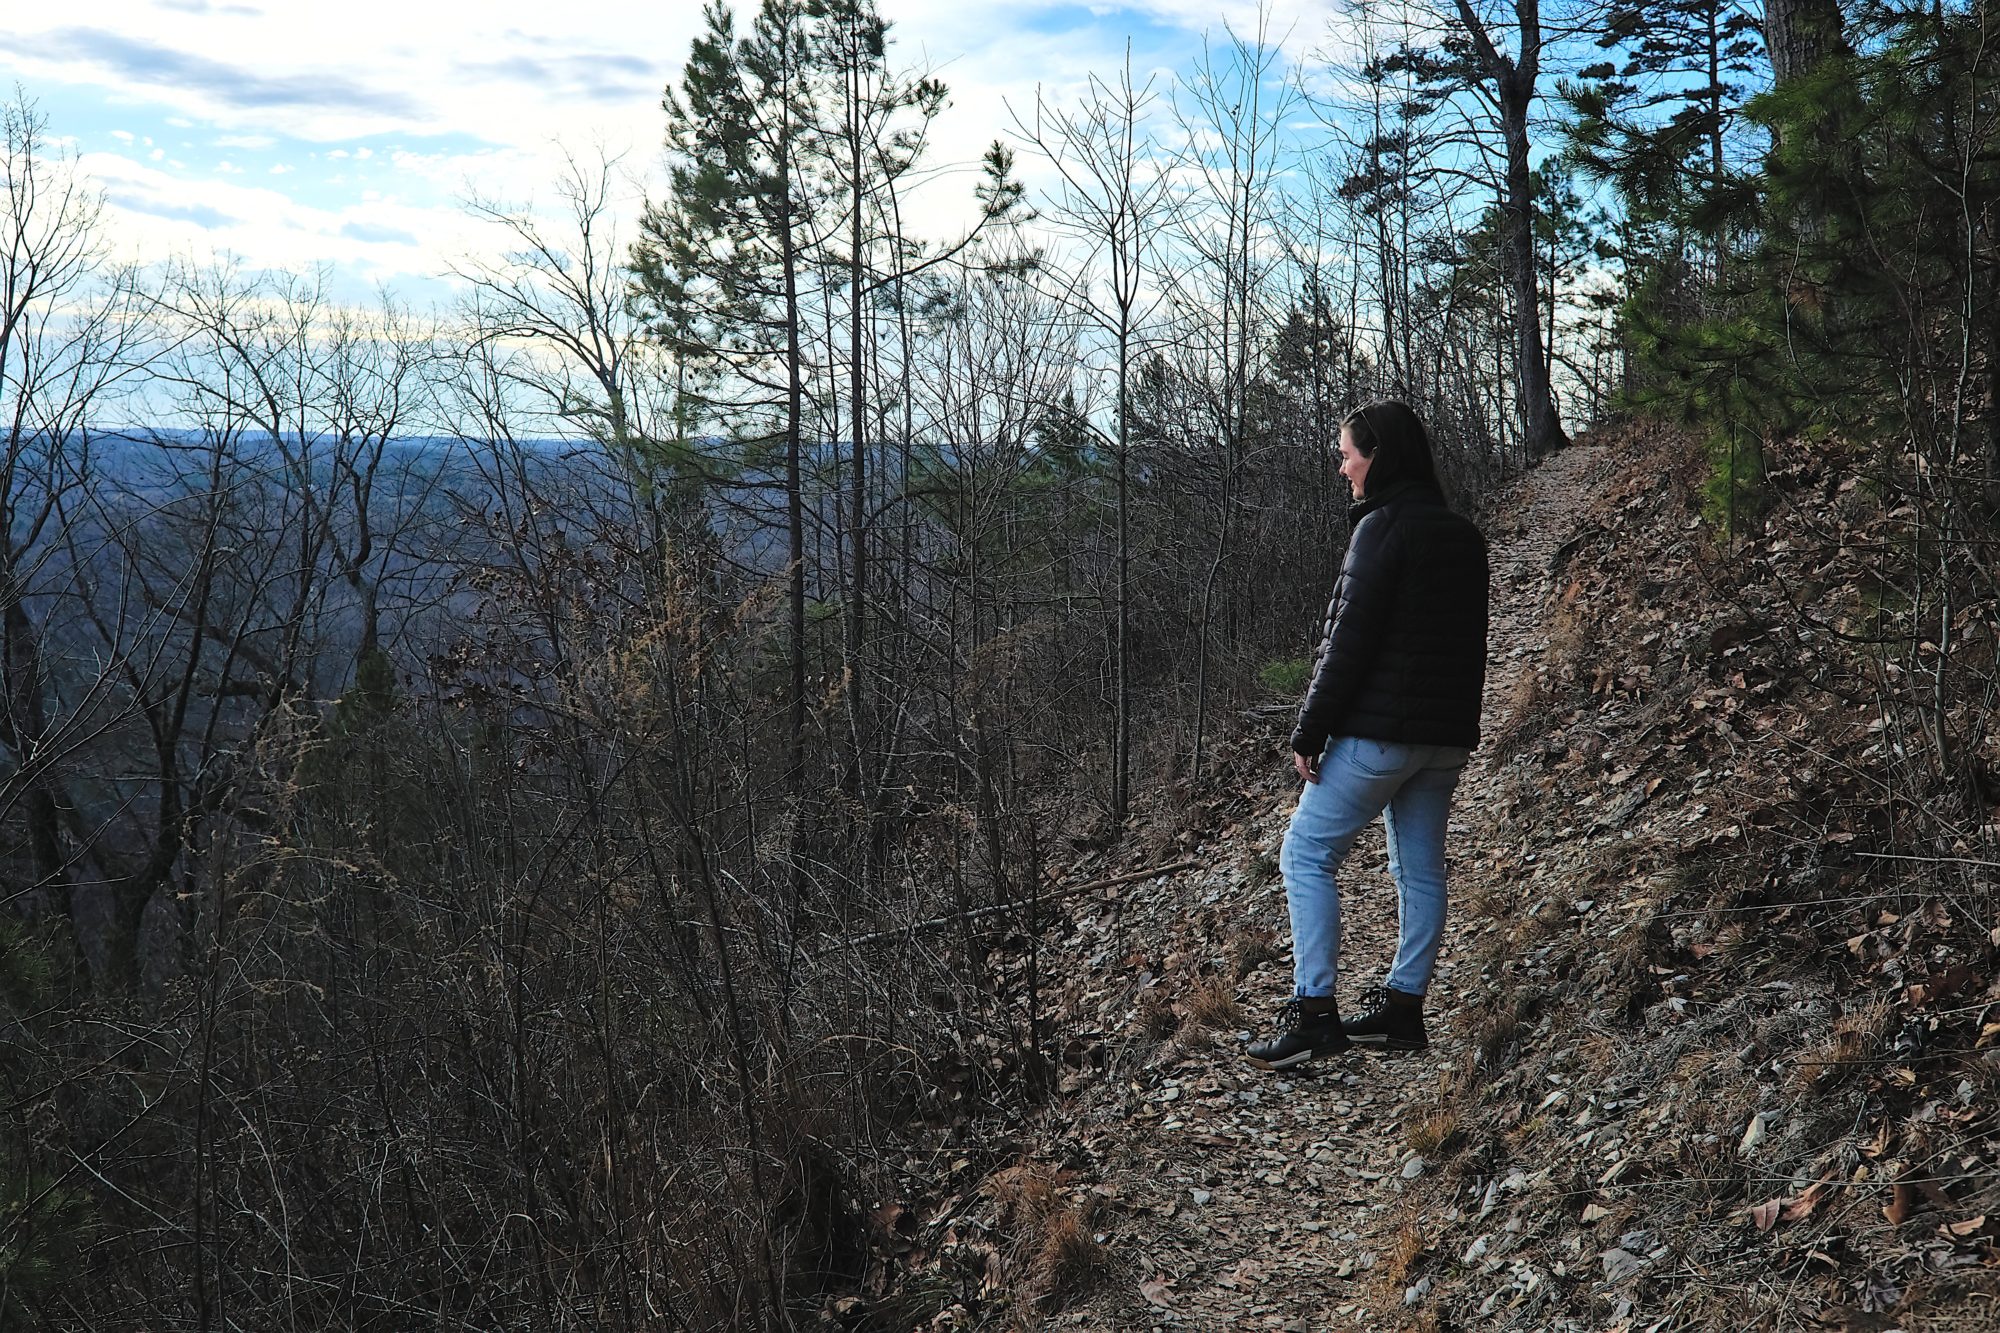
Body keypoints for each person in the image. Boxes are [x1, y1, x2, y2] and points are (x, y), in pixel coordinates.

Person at [1247, 400, 1490, 1071]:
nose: (1342, 465)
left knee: (1305, 852)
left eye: (1348, 452)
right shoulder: (1464, 536)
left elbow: (1346, 643)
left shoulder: (1381, 529)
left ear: (1377, 455)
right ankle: (1403, 1010)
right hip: (1444, 740)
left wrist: (1310, 729)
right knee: (1419, 869)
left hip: (1381, 735)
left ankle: (1314, 1013)